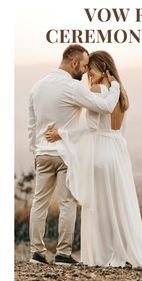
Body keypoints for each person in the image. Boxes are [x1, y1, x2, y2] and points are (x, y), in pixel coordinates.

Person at [45, 51, 142, 269]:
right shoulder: (121, 93)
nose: (88, 74)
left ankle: (100, 255)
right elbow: (121, 130)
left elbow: (91, 127)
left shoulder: (97, 91)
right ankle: (123, 251)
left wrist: (62, 134)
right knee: (118, 204)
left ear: (104, 68)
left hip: (100, 152)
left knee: (99, 207)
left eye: (91, 69)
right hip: (118, 152)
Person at [28, 45, 120, 265]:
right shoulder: (72, 88)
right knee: (67, 202)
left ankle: (36, 254)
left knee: (38, 203)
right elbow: (105, 107)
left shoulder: (37, 87)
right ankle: (62, 253)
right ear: (74, 63)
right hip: (65, 154)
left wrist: (35, 150)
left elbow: (31, 126)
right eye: (84, 65)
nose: (85, 70)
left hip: (42, 153)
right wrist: (113, 85)